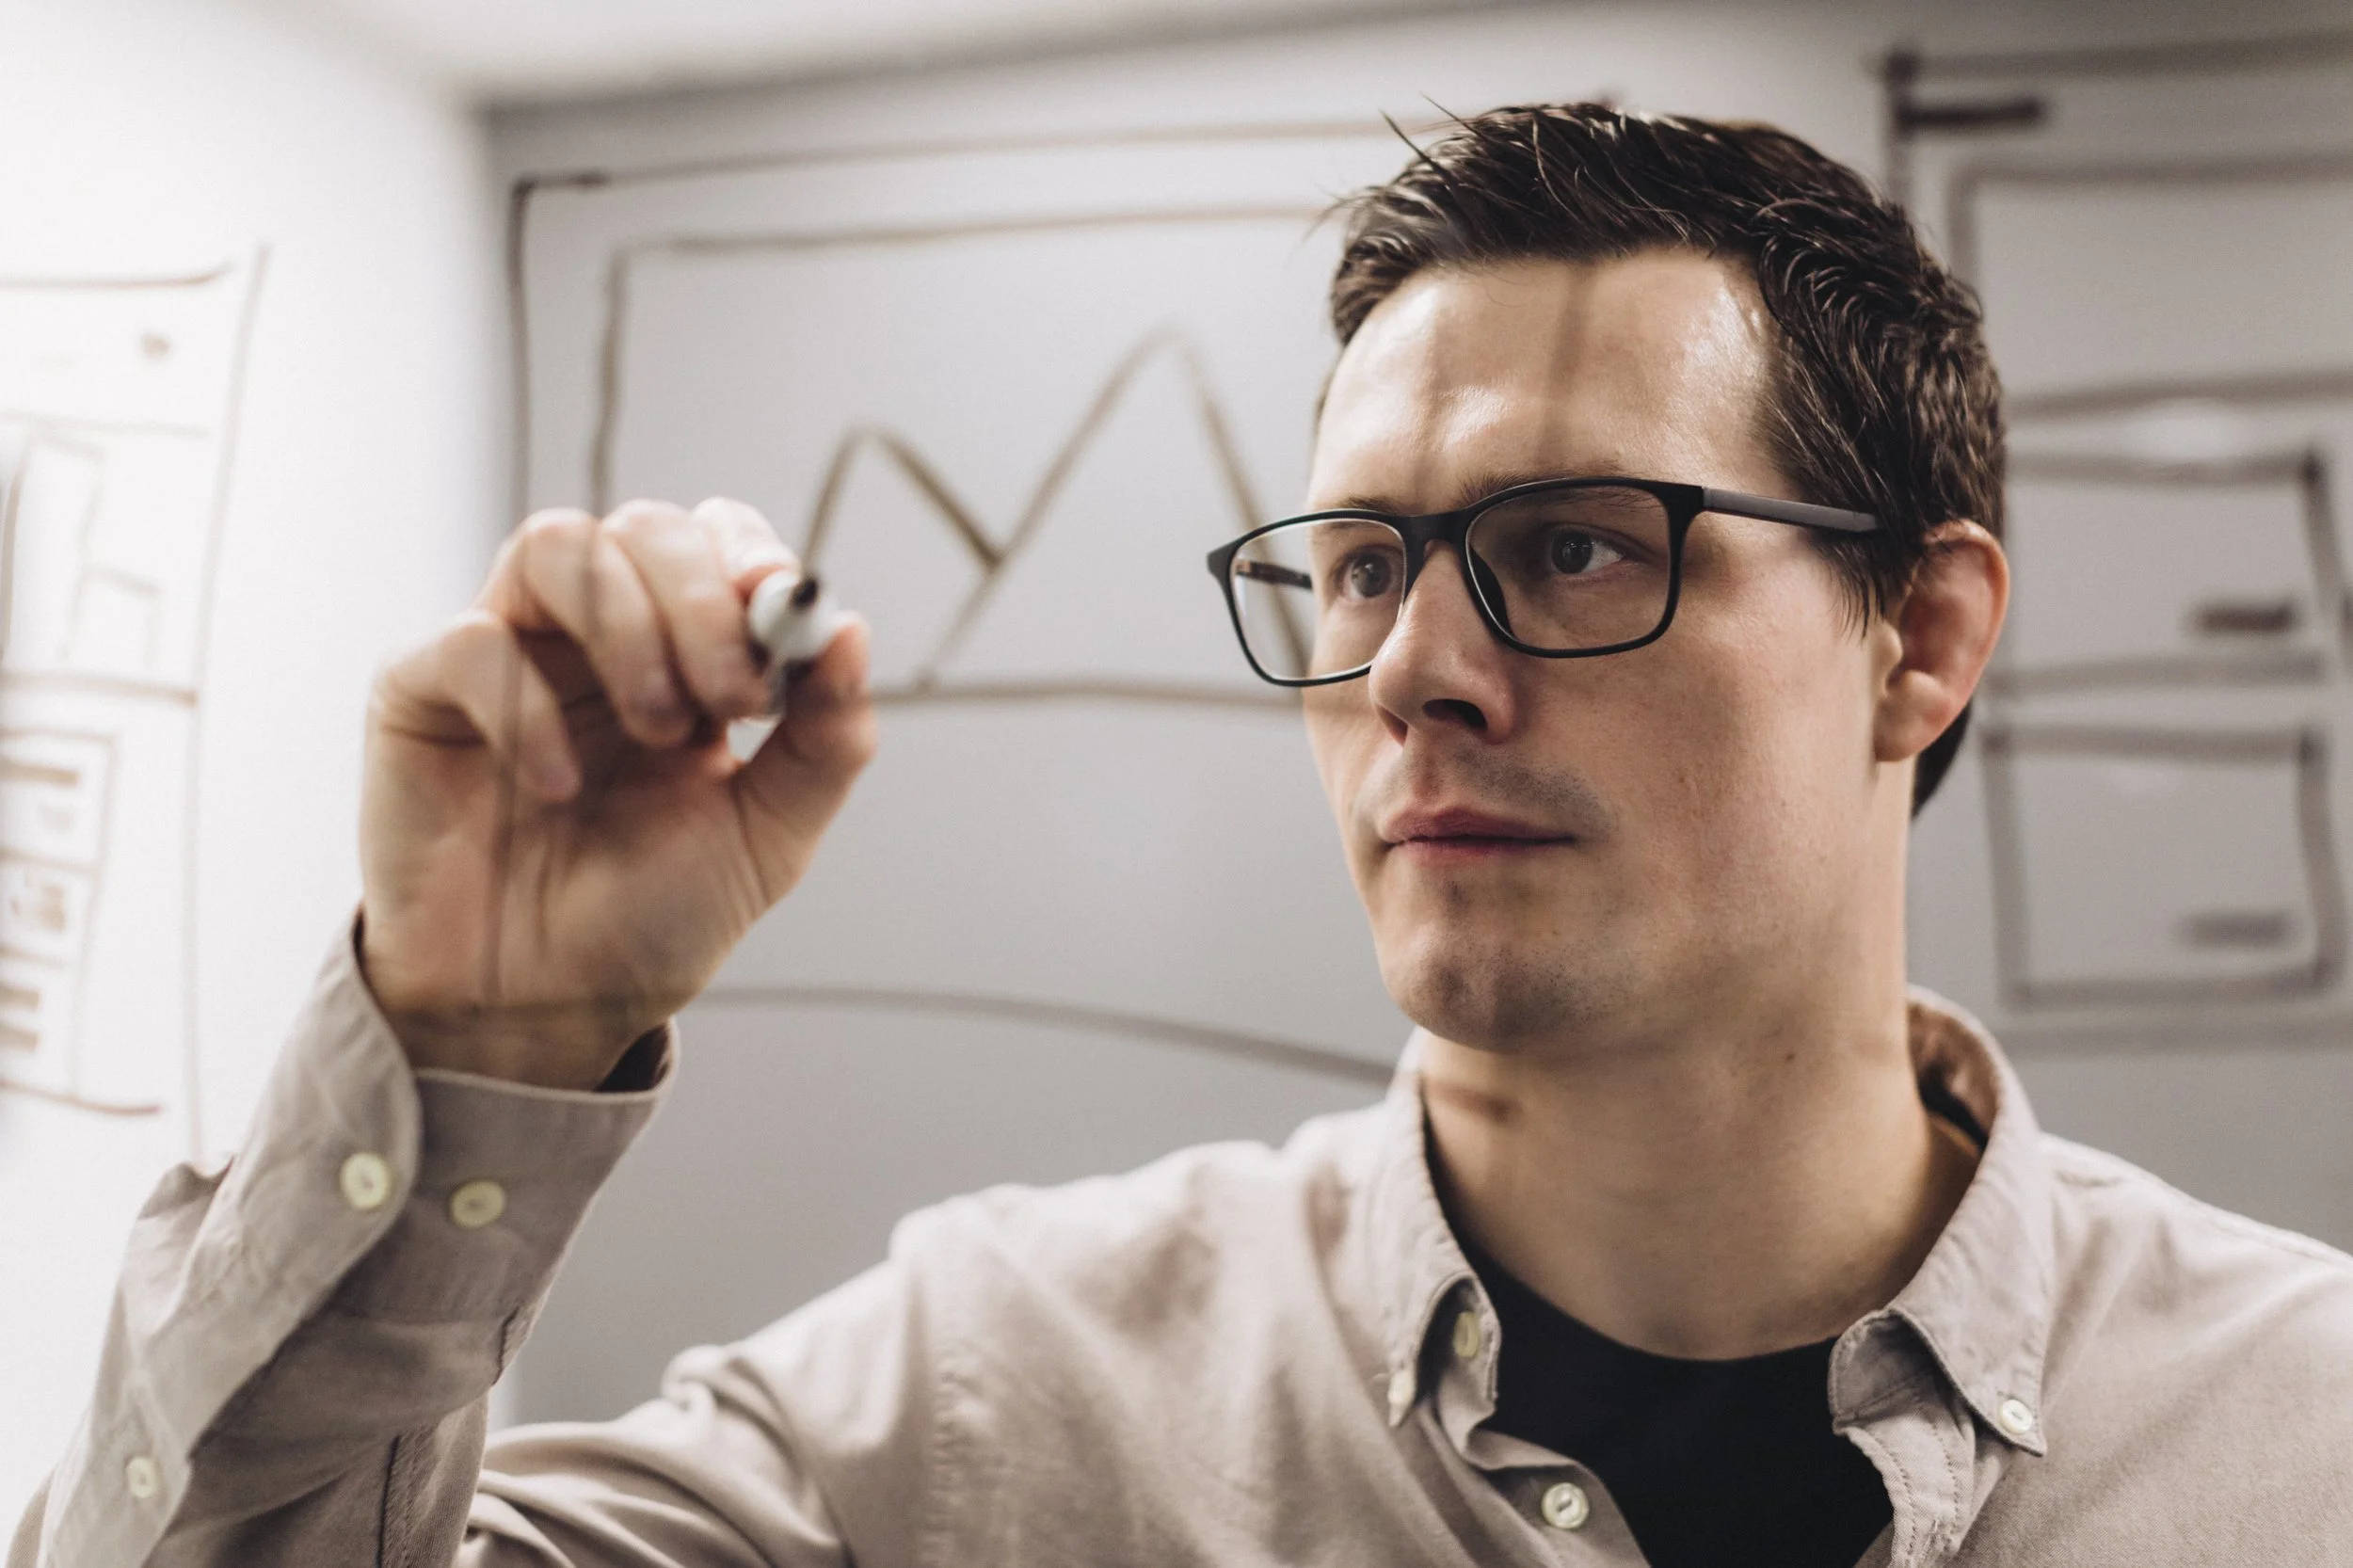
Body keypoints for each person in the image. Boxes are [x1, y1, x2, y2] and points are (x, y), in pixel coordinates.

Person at [15, 104, 2352, 1568]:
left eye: (1566, 544)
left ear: (1915, 637)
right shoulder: (977, 1399)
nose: (1413, 668)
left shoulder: (2300, 1431)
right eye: (1352, 564)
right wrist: (466, 1041)